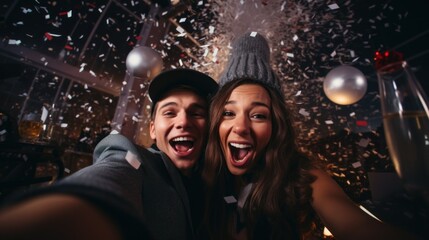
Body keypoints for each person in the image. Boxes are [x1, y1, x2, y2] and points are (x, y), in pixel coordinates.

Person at [201, 32, 419, 240]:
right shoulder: (198, 172)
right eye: (228, 113)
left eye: (258, 115)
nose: (241, 127)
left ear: (276, 127)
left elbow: (356, 226)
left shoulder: (299, 174)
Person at [0, 68, 218, 240]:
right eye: (170, 112)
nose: (183, 122)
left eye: (196, 113)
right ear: (152, 128)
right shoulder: (136, 161)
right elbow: (113, 171)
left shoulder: (214, 180)